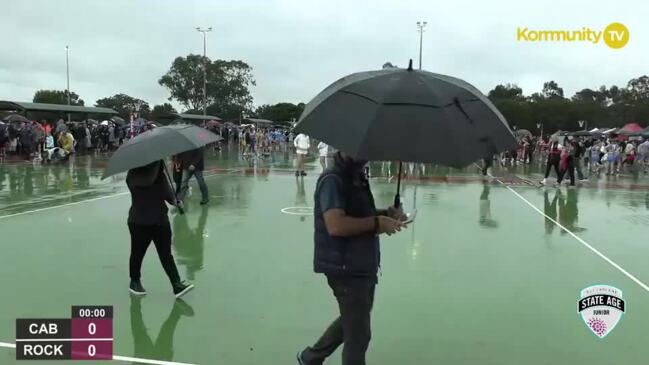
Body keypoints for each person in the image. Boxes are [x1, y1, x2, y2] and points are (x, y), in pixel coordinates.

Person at [297, 151, 407, 365]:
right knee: (358, 336)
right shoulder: (333, 180)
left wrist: (385, 214)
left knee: (353, 319)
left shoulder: (355, 175)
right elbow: (336, 225)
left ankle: (312, 357)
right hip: (345, 267)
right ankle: (312, 357)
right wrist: (377, 223)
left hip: (360, 264)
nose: (367, 156)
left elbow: (358, 214)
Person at [126, 160, 194, 298]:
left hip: (137, 221)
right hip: (159, 220)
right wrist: (177, 201)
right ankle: (176, 284)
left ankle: (134, 282)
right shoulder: (160, 177)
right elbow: (170, 196)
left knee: (137, 254)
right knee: (166, 255)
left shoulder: (131, 176)